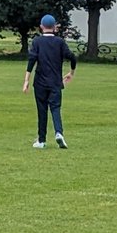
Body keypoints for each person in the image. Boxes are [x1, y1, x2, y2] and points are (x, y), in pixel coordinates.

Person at [22, 14, 76, 149]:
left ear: (41, 27)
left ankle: (41, 140)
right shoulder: (60, 42)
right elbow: (72, 57)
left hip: (40, 82)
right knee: (55, 108)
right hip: (55, 82)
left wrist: (26, 80)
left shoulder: (37, 42)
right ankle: (59, 132)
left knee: (42, 110)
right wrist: (71, 72)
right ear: (55, 27)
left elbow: (32, 61)